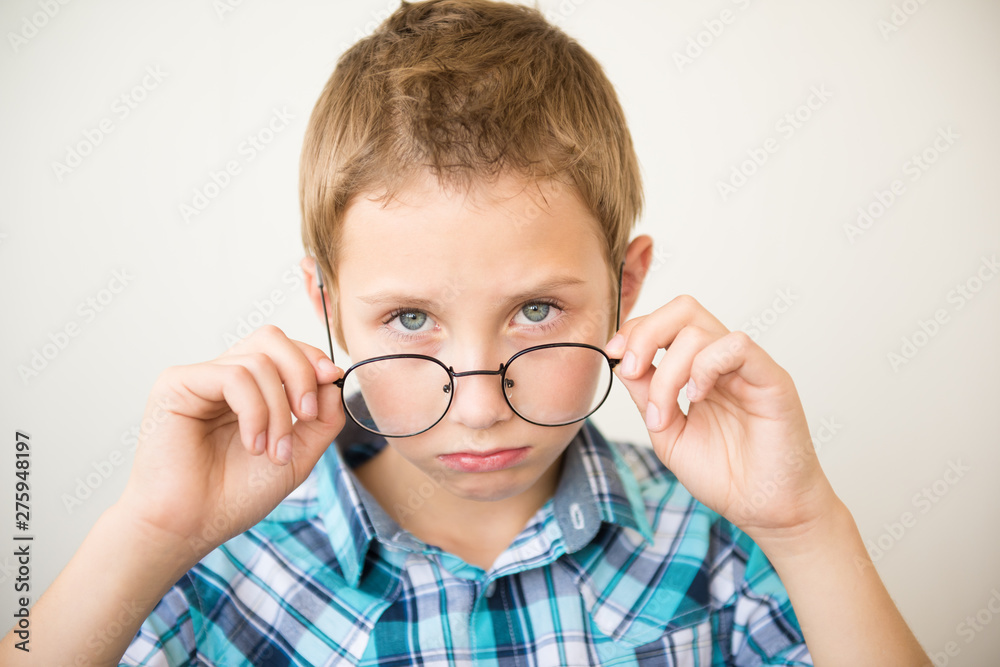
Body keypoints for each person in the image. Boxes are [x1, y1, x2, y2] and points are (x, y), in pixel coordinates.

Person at [1, 1, 931, 664]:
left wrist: (809, 528)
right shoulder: (211, 565)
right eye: (410, 319)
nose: (482, 405)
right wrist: (147, 531)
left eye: (536, 310)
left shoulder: (720, 545)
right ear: (326, 308)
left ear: (625, 286)